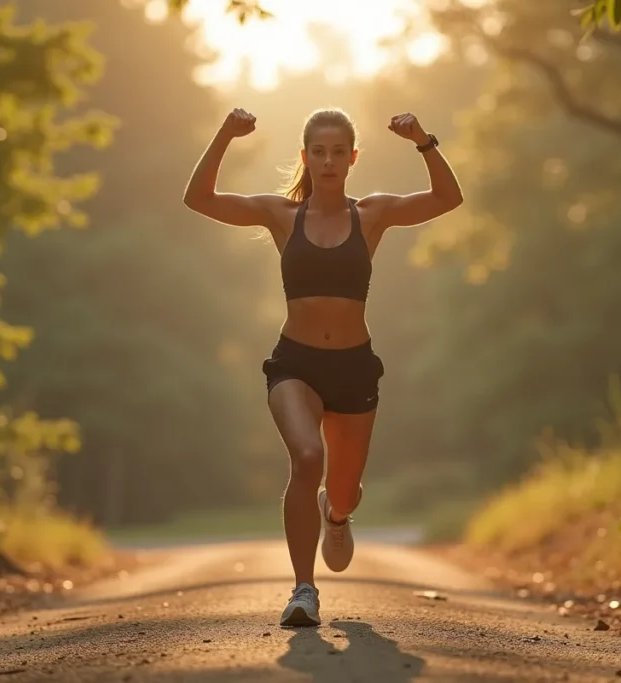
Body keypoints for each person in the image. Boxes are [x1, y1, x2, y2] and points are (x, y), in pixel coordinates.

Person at [182, 106, 463, 627]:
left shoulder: (372, 213)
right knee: (307, 456)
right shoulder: (281, 215)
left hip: (355, 368)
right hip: (296, 362)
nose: (328, 161)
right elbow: (198, 199)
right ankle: (303, 589)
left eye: (338, 152)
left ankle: (337, 514)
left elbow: (449, 198)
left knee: (343, 487)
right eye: (319, 152)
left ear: (352, 159)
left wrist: (423, 139)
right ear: (306, 158)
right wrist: (224, 133)